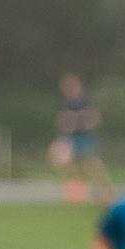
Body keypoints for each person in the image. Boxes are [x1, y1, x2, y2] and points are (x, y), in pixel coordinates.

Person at [52, 74, 110, 202]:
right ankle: (77, 194)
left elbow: (94, 118)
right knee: (67, 164)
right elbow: (62, 121)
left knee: (93, 167)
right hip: (73, 138)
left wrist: (78, 121)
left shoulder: (84, 101)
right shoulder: (68, 103)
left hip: (84, 138)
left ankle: (104, 194)